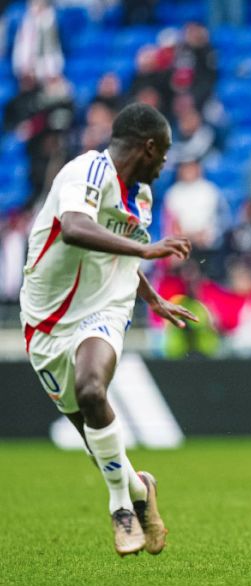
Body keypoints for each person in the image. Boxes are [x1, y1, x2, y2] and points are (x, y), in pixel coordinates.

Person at [19, 103, 198, 555]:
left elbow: (124, 256)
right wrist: (150, 251)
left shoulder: (141, 197)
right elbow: (77, 229)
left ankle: (121, 507)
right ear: (149, 146)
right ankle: (140, 488)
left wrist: (152, 298)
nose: (165, 164)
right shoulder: (85, 172)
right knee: (92, 435)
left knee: (93, 390)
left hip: (105, 304)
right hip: (46, 318)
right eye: (165, 153)